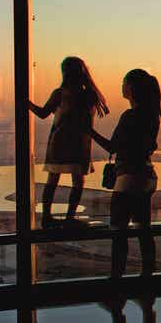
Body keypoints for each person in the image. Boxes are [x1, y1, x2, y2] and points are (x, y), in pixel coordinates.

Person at [92, 69, 161, 278]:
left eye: (124, 82)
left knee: (119, 233)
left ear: (132, 88)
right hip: (147, 176)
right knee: (143, 231)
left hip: (129, 178)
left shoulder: (130, 116)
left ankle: (116, 279)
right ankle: (147, 278)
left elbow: (112, 146)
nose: (121, 85)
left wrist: (88, 131)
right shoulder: (153, 115)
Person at [29, 57, 109, 229]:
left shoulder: (60, 93)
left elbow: (43, 113)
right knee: (78, 181)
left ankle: (47, 217)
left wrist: (26, 103)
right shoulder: (89, 94)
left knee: (53, 179)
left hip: (60, 142)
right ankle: (69, 218)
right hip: (80, 143)